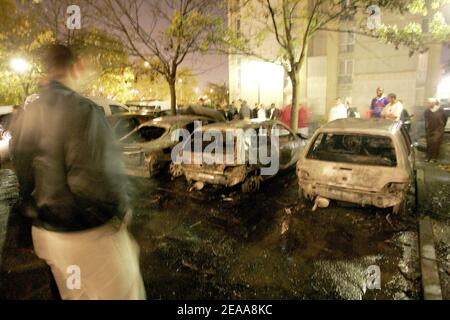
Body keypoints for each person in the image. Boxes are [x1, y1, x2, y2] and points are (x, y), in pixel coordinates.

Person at [11, 44, 146, 300]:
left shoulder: (27, 115)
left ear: (45, 72)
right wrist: (120, 212)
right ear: (74, 68)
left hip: (47, 234)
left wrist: (28, 223)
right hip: (87, 235)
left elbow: (24, 176)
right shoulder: (84, 110)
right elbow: (97, 178)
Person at [424, 98, 448, 163]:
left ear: (433, 103)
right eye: (428, 103)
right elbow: (426, 119)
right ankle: (428, 156)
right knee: (429, 142)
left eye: (429, 103)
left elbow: (445, 119)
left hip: (438, 129)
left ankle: (434, 157)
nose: (428, 104)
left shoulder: (441, 110)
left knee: (435, 142)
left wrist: (441, 126)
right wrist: (427, 127)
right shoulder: (427, 111)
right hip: (429, 129)